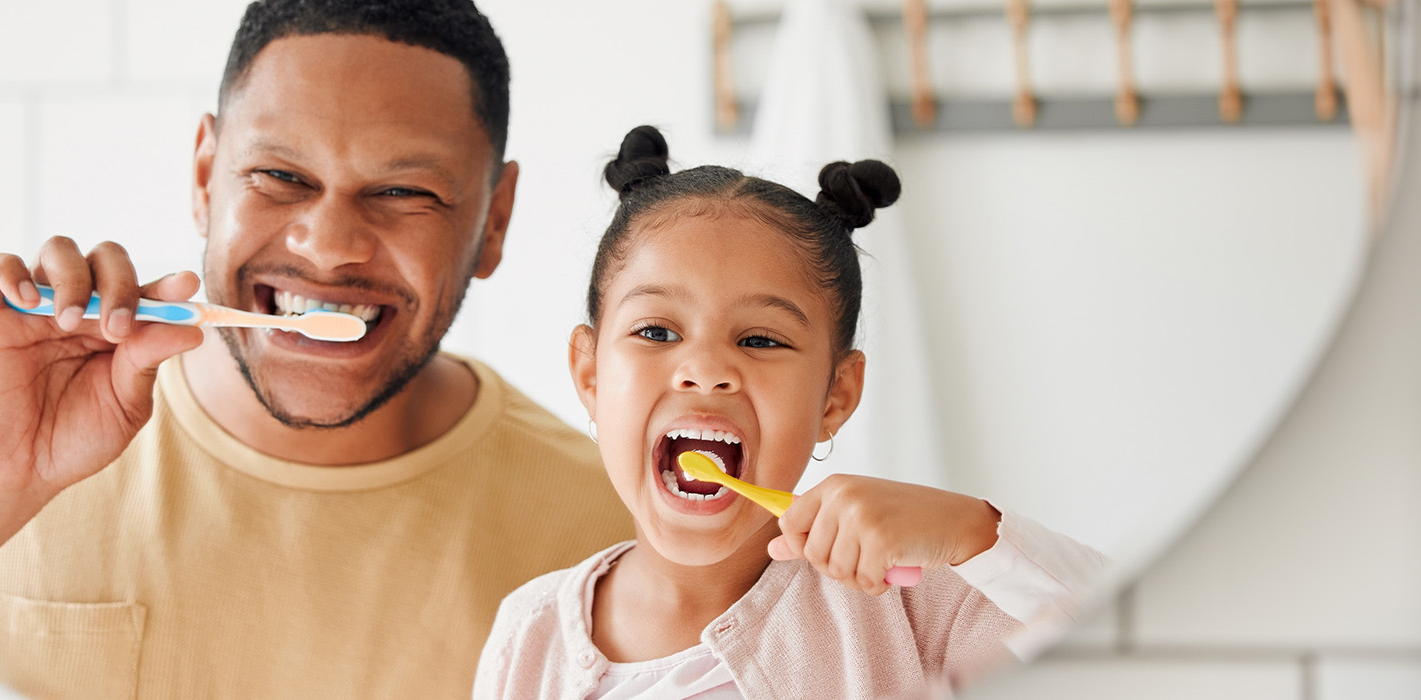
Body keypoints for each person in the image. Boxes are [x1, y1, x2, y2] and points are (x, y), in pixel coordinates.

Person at [0, 2, 633, 697]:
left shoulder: (612, 542)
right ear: (204, 175)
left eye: (403, 191)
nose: (330, 244)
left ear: (494, 221)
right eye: (280, 177)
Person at [473, 126, 1105, 699]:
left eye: (761, 340)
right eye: (658, 332)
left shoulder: (920, 608)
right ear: (589, 372)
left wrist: (973, 532)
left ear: (835, 397)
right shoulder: (528, 637)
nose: (706, 369)